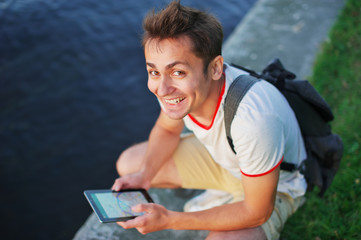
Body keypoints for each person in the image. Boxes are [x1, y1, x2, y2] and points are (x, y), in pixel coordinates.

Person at [111, 1, 307, 239]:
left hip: (277, 187)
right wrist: (145, 175)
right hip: (231, 163)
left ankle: (237, 202)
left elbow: (257, 211)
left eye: (178, 72)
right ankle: (223, 197)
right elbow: (167, 129)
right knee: (130, 164)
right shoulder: (180, 91)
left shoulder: (253, 120)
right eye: (154, 71)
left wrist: (169, 219)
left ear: (215, 68)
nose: (162, 89)